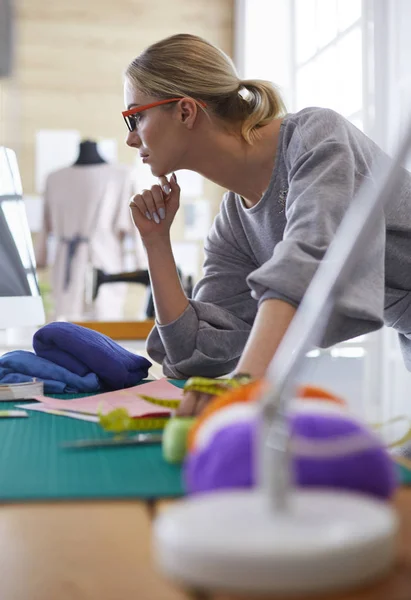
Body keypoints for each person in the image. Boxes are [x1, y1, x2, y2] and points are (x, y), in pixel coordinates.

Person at [123, 33, 411, 416]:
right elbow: (198, 353)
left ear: (186, 111)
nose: (130, 137)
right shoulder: (233, 222)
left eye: (136, 116)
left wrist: (244, 384)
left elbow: (309, 256)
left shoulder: (315, 136)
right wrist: (157, 244)